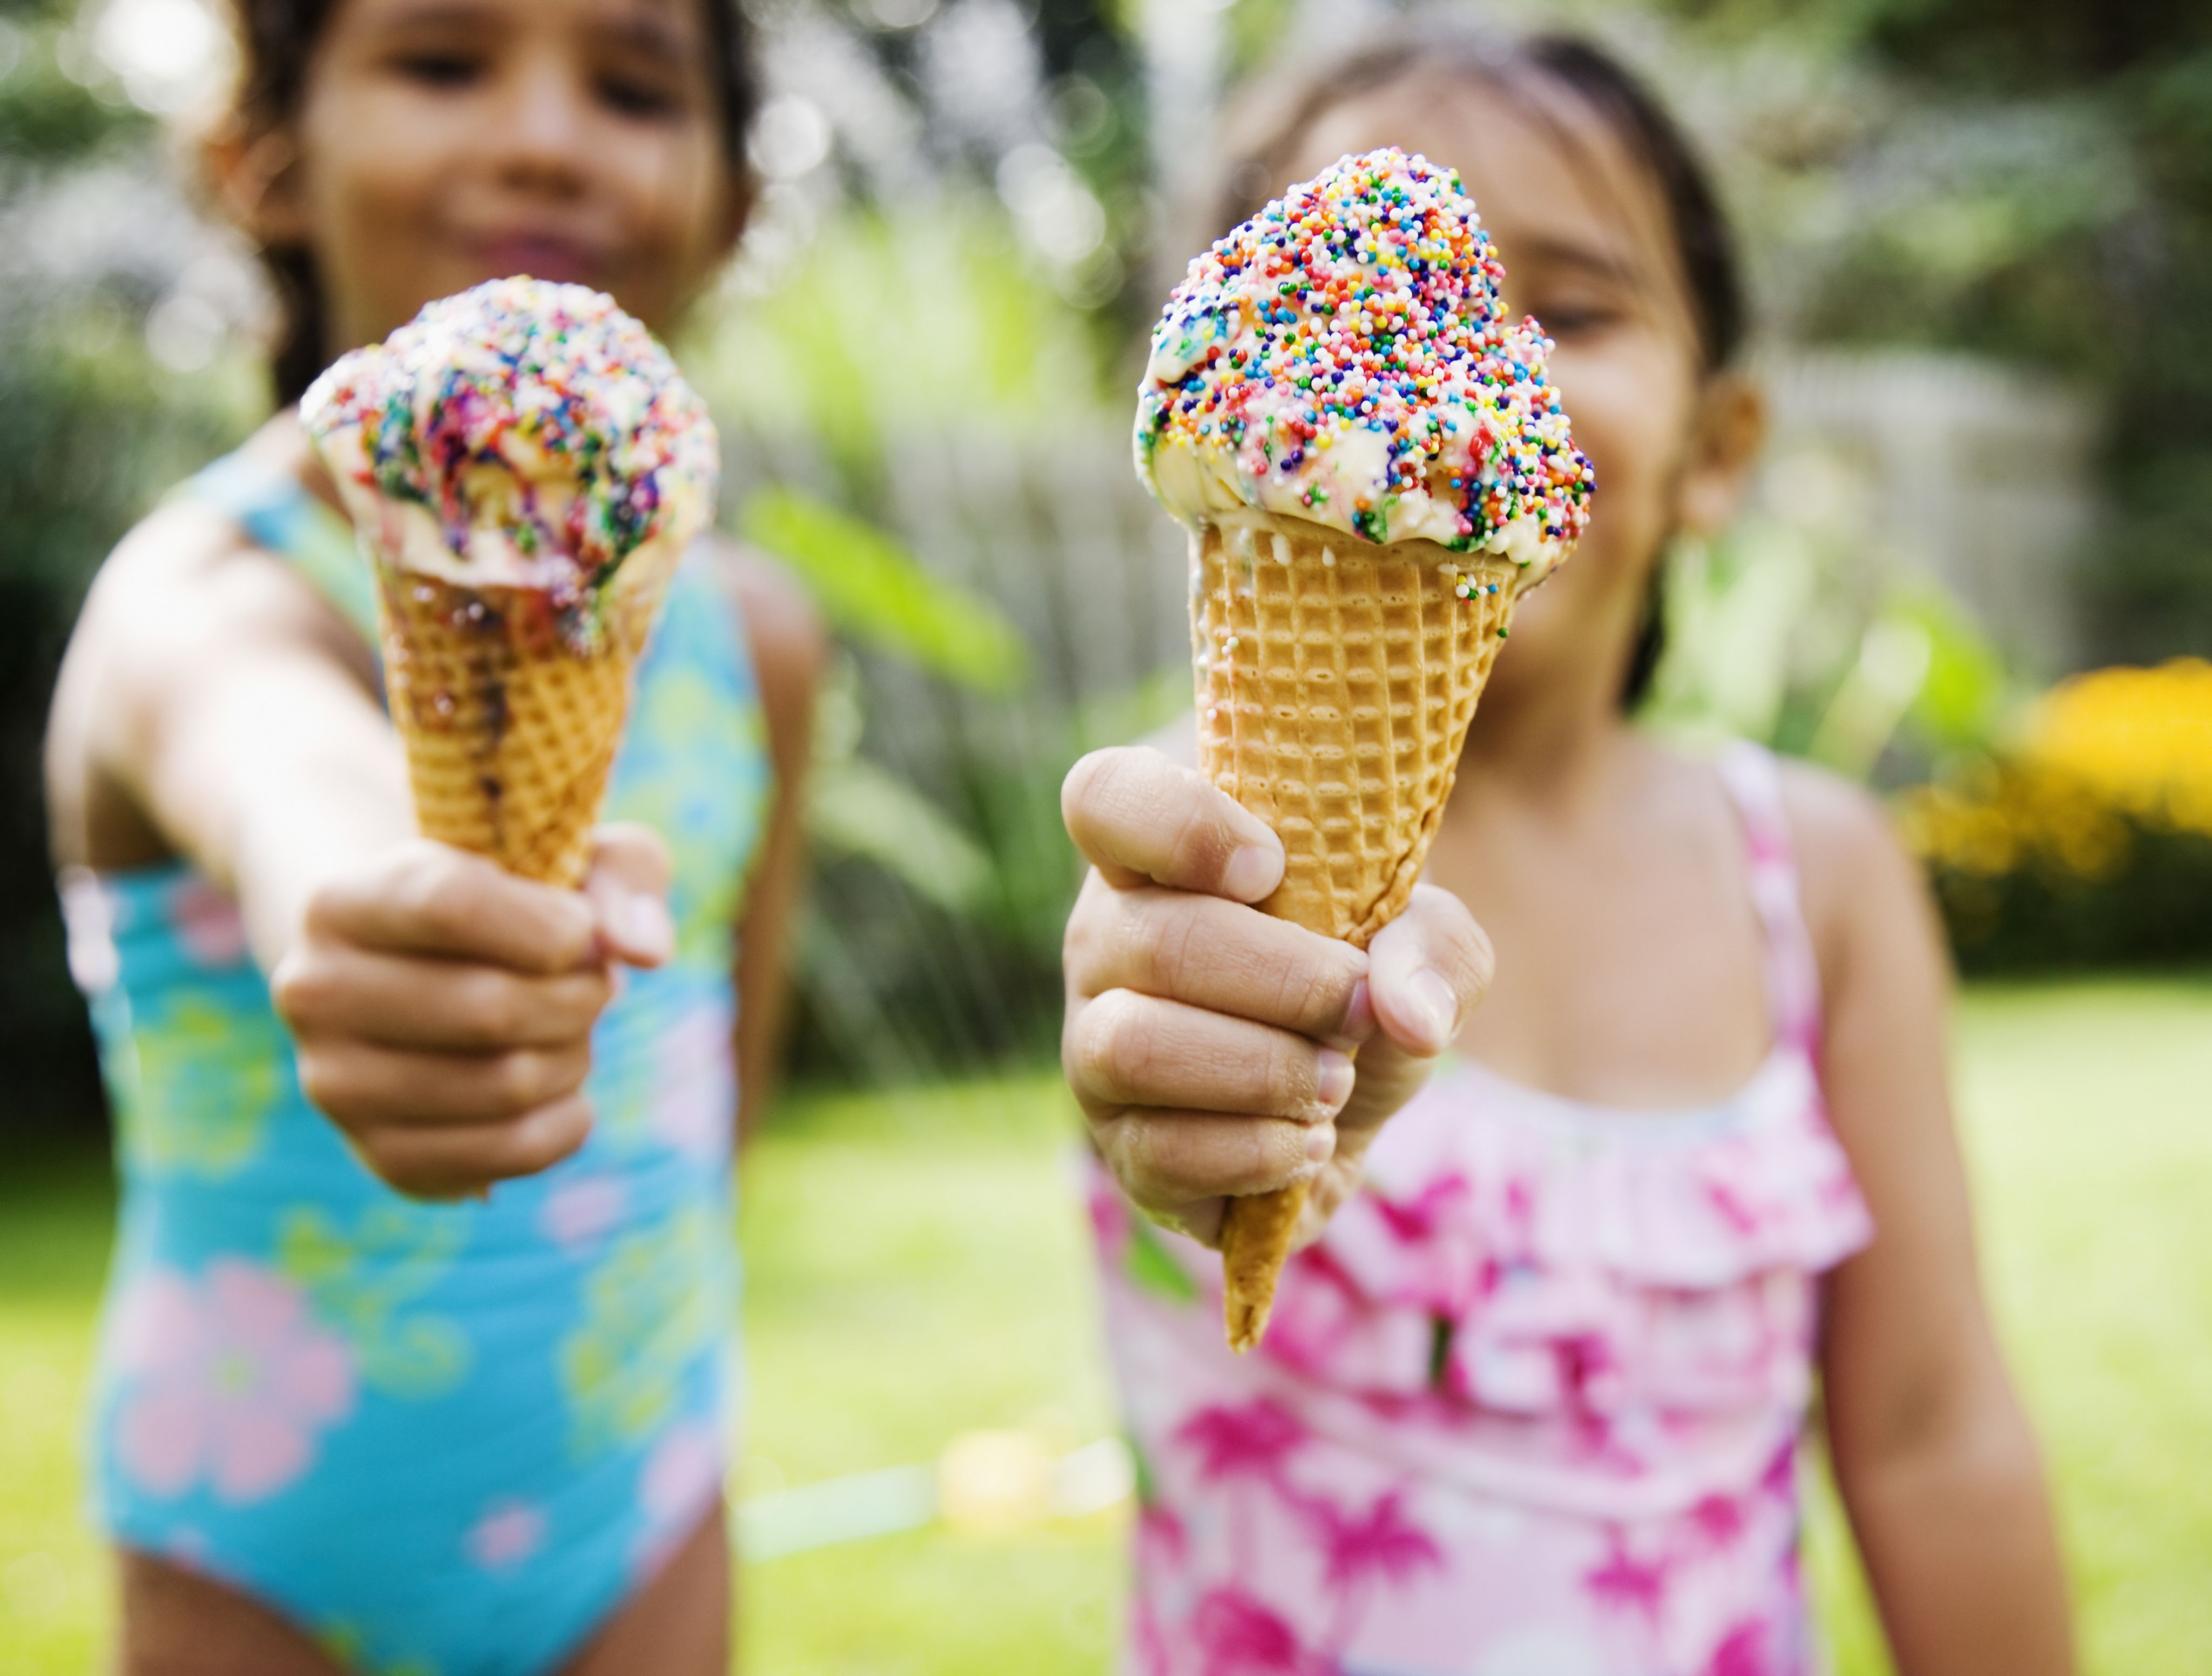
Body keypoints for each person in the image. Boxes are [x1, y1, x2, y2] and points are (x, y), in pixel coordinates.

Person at [1062, 26, 2074, 1676]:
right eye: (1349, 302)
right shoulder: (1181, 849)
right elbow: (1125, 1006)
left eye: (1574, 306)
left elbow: (1932, 1427)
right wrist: (1169, 1070)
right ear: (1211, 394)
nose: (1458, 364)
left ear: (1718, 449)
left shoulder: (1817, 878)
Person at [44, 1, 823, 1671]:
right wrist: (362, 914)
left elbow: (717, 1092)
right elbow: (286, 785)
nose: (545, 136)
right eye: (443, 61)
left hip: (644, 1488)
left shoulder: (755, 638)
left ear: (733, 199)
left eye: (633, 86)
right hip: (259, 1526)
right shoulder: (197, 600)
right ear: (258, 164)